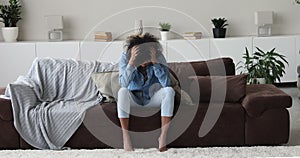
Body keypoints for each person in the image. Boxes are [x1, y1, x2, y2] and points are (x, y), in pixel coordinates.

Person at [117, 33, 175, 152]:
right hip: (134, 99)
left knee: (169, 91)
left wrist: (154, 62)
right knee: (122, 91)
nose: (143, 64)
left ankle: (163, 137)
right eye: (141, 61)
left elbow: (166, 83)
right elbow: (123, 83)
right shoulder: (126, 58)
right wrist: (131, 63)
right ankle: (126, 137)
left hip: (153, 98)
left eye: (146, 61)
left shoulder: (157, 57)